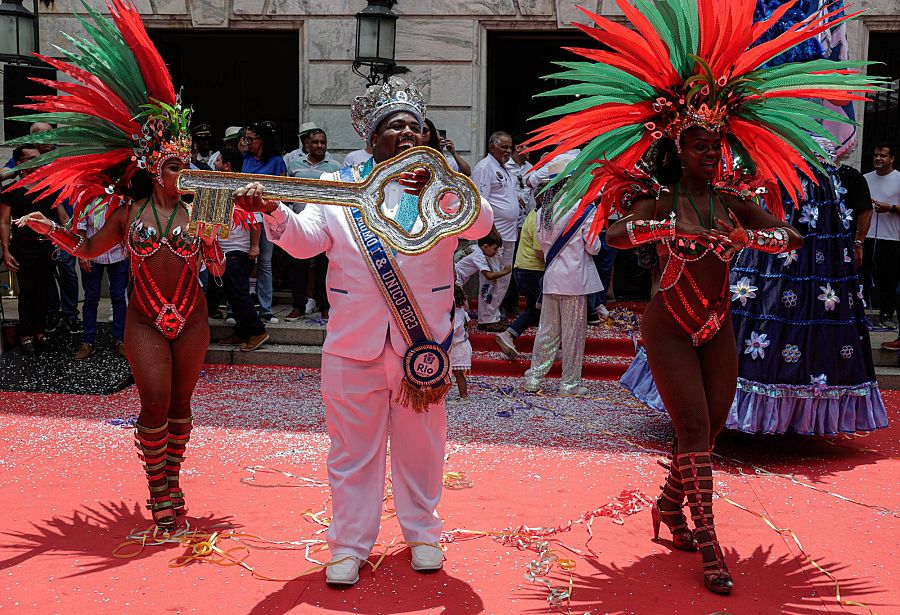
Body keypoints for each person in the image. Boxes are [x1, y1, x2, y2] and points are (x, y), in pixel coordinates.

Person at [525, 0, 874, 595]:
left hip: (718, 326)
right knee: (691, 426)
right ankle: (710, 547)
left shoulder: (733, 199)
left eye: (717, 145)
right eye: (700, 146)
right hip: (669, 327)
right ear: (677, 148)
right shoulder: (659, 197)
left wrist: (747, 237)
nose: (712, 154)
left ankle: (667, 504)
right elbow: (618, 234)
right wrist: (667, 228)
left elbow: (790, 237)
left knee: (710, 428)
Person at [233, 76, 493, 586]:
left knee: (423, 448)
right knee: (352, 452)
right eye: (395, 126)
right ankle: (350, 545)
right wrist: (273, 211)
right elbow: (306, 242)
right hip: (353, 345)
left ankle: (423, 534)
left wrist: (444, 180)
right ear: (372, 140)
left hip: (422, 347)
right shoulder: (338, 188)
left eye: (416, 127)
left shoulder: (444, 191)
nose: (407, 133)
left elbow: (481, 225)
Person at [9, 0, 226, 531]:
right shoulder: (128, 212)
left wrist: (215, 238)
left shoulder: (205, 206)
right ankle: (158, 492)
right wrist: (50, 230)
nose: (183, 169)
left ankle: (174, 481)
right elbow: (88, 250)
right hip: (144, 320)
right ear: (152, 167)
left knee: (181, 407)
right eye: (173, 163)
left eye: (186, 161)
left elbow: (218, 269)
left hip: (193, 317)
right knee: (154, 405)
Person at [523, 184, 602, 395]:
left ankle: (534, 378)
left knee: (546, 331)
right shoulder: (583, 208)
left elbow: (542, 244)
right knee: (573, 335)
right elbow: (593, 246)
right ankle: (569, 383)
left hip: (551, 277)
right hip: (575, 280)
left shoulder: (543, 210)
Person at [0, 145, 56, 355]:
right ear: (20, 164)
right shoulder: (11, 190)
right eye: (32, 158)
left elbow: (59, 215)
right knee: (28, 291)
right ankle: (25, 335)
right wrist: (6, 251)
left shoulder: (48, 186)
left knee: (45, 290)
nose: (38, 162)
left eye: (39, 158)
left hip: (46, 246)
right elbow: (4, 222)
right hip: (23, 246)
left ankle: (40, 331)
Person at [214, 147, 269, 352]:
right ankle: (242, 331)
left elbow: (256, 220)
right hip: (224, 250)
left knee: (239, 294)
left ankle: (257, 331)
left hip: (238, 250)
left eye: (218, 160)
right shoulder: (220, 187)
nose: (214, 163)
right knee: (232, 294)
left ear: (227, 166)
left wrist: (254, 246)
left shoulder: (243, 189)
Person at [471, 132, 518, 328]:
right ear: (492, 147)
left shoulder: (504, 168)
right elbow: (480, 201)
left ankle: (494, 314)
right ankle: (486, 318)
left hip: (509, 232)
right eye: (504, 147)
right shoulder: (485, 167)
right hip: (493, 234)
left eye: (510, 147)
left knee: (504, 277)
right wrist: (489, 231)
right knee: (491, 277)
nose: (508, 151)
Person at [241, 121, 286, 324]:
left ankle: (266, 309)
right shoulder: (245, 158)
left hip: (267, 216)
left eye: (251, 139)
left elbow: (282, 189)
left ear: (262, 140)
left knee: (265, 263)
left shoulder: (277, 161)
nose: (248, 143)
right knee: (243, 260)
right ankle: (239, 309)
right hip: (245, 217)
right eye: (246, 139)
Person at [75, 200, 129, 360]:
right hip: (92, 254)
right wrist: (81, 254)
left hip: (118, 254)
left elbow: (129, 224)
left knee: (119, 297)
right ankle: (88, 342)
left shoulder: (122, 197)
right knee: (91, 298)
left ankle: (120, 340)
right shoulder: (86, 197)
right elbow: (80, 227)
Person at [862, 142, 900, 331]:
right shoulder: (864, 179)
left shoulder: (898, 178)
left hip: (891, 237)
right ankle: (861, 312)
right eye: (876, 155)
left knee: (888, 278)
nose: (878, 158)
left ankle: (886, 314)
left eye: (883, 155)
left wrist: (890, 208)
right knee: (864, 276)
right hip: (866, 236)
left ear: (892, 158)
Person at [454, 232, 512, 331]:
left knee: (461, 306)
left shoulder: (473, 247)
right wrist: (504, 272)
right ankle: (460, 329)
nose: (495, 252)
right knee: (462, 306)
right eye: (495, 249)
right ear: (485, 246)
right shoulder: (478, 256)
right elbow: (489, 276)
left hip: (454, 279)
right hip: (456, 281)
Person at [448, 286, 472, 404]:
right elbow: (469, 321)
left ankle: (464, 396)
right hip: (462, 344)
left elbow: (452, 330)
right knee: (457, 373)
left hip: (459, 347)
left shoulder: (456, 313)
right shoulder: (461, 310)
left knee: (458, 374)